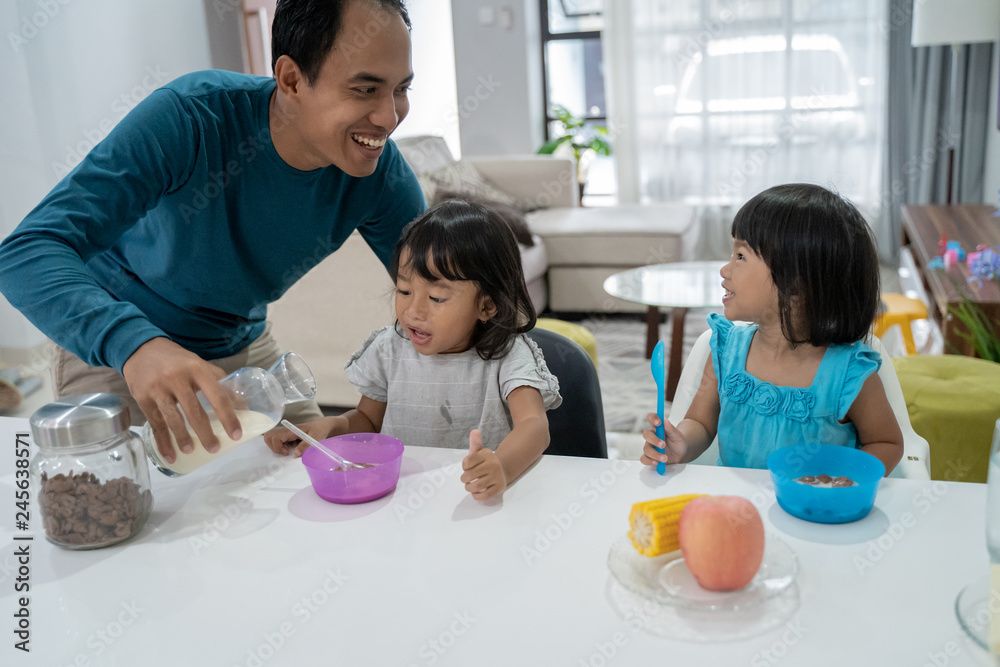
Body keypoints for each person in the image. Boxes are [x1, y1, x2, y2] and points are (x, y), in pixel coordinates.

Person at [0, 0, 425, 466]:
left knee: (327, 471)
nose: (389, 117)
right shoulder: (189, 119)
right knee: (121, 506)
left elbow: (444, 294)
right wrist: (135, 344)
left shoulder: (381, 176)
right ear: (290, 80)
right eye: (365, 89)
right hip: (121, 344)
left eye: (400, 89)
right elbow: (25, 251)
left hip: (242, 346)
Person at [264, 200, 562, 500]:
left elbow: (534, 426)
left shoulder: (508, 355)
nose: (413, 310)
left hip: (474, 497)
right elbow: (369, 420)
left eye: (436, 297)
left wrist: (502, 466)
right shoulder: (390, 349)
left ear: (486, 305)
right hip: (402, 497)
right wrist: (332, 425)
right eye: (404, 291)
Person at [641, 183, 903, 475]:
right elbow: (701, 423)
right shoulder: (726, 350)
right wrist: (682, 444)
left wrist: (842, 480)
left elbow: (886, 442)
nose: (725, 270)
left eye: (740, 256)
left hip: (812, 516)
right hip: (735, 510)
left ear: (795, 285)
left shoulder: (848, 374)